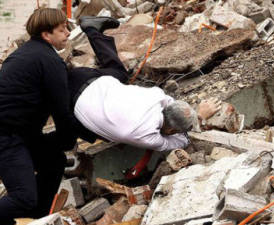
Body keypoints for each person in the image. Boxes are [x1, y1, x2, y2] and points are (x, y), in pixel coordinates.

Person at [0, 8, 78, 225]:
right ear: (46, 34)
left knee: (53, 161)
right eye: (62, 30)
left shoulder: (24, 53)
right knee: (24, 197)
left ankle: (36, 220)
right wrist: (69, 139)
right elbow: (61, 111)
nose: (68, 34)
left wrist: (60, 141)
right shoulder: (50, 62)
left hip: (9, 133)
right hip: (4, 138)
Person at [69, 16, 222, 152]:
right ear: (169, 131)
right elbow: (181, 142)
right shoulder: (145, 136)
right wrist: (199, 118)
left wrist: (191, 115)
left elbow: (169, 102)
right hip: (70, 100)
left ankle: (92, 29)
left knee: (119, 73)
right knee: (83, 132)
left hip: (87, 76)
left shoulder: (156, 96)